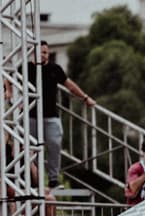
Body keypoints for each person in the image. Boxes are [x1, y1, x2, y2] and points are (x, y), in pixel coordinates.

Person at [21, 41, 95, 187]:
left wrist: (85, 98)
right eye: (39, 52)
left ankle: (53, 179)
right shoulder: (26, 67)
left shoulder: (55, 68)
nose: (42, 55)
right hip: (31, 115)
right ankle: (32, 179)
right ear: (33, 53)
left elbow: (70, 85)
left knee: (54, 144)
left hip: (51, 115)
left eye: (45, 52)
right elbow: (9, 79)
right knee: (30, 149)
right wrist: (10, 94)